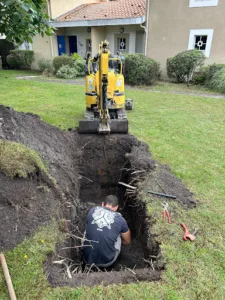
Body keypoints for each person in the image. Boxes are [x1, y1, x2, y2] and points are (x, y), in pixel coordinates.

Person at [82, 195, 131, 267]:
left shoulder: (92, 210)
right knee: (118, 233)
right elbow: (127, 241)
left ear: (102, 204)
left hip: (86, 259)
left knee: (87, 230)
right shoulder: (120, 219)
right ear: (116, 207)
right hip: (107, 262)